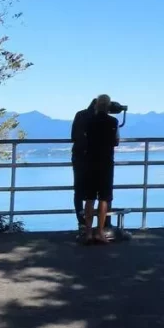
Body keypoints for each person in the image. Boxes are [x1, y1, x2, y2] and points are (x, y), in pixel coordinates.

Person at [83, 95, 119, 244]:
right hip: (106, 162)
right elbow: (116, 141)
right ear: (109, 106)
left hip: (90, 161)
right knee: (104, 198)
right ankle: (100, 232)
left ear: (96, 105)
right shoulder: (113, 121)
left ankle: (88, 232)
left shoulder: (88, 121)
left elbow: (85, 138)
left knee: (89, 198)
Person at [70, 98, 97, 231]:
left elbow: (73, 136)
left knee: (78, 190)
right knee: (93, 191)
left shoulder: (79, 115)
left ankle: (81, 222)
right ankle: (90, 222)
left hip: (78, 156)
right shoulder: (101, 118)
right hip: (94, 157)